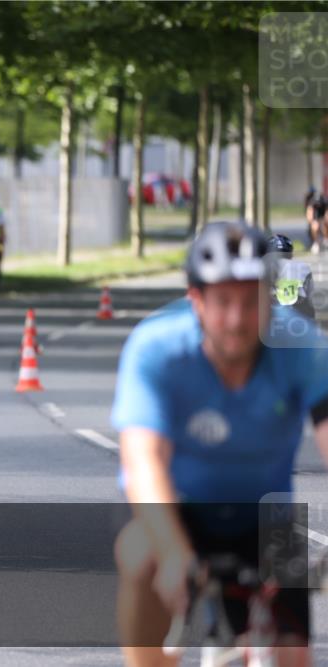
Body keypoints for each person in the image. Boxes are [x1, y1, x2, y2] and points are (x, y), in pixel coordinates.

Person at [111, 220, 328, 667]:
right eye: (223, 302)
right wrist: (173, 552)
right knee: (139, 554)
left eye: (250, 302)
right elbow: (143, 460)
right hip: (179, 512)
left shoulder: (302, 347)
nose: (236, 320)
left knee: (294, 655)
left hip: (269, 521)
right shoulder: (156, 348)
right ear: (196, 301)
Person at [268, 233, 316, 320]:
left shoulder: (263, 266)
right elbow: (310, 294)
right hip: (300, 310)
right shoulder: (304, 266)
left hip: (273, 311)